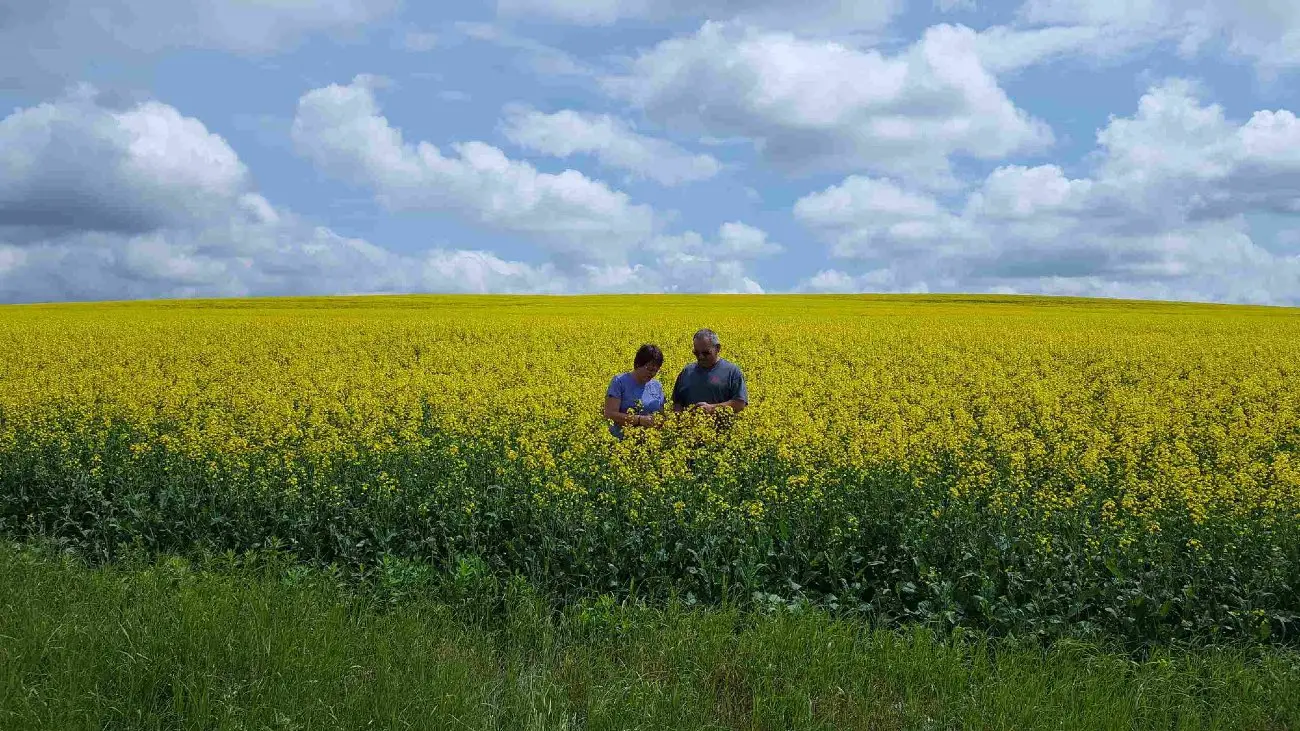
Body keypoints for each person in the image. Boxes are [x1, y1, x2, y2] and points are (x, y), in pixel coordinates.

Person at [671, 328, 748, 415]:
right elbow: (677, 402)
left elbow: (740, 403)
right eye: (696, 353)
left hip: (722, 428)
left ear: (718, 348)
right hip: (688, 427)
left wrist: (712, 408)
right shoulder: (686, 372)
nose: (700, 357)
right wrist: (678, 417)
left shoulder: (732, 372)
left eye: (706, 353)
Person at [604, 344, 666, 439]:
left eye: (655, 370)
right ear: (638, 364)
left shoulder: (657, 386)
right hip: (621, 442)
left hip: (651, 442)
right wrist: (639, 420)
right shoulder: (619, 382)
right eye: (649, 369)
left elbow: (661, 415)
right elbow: (610, 414)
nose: (652, 374)